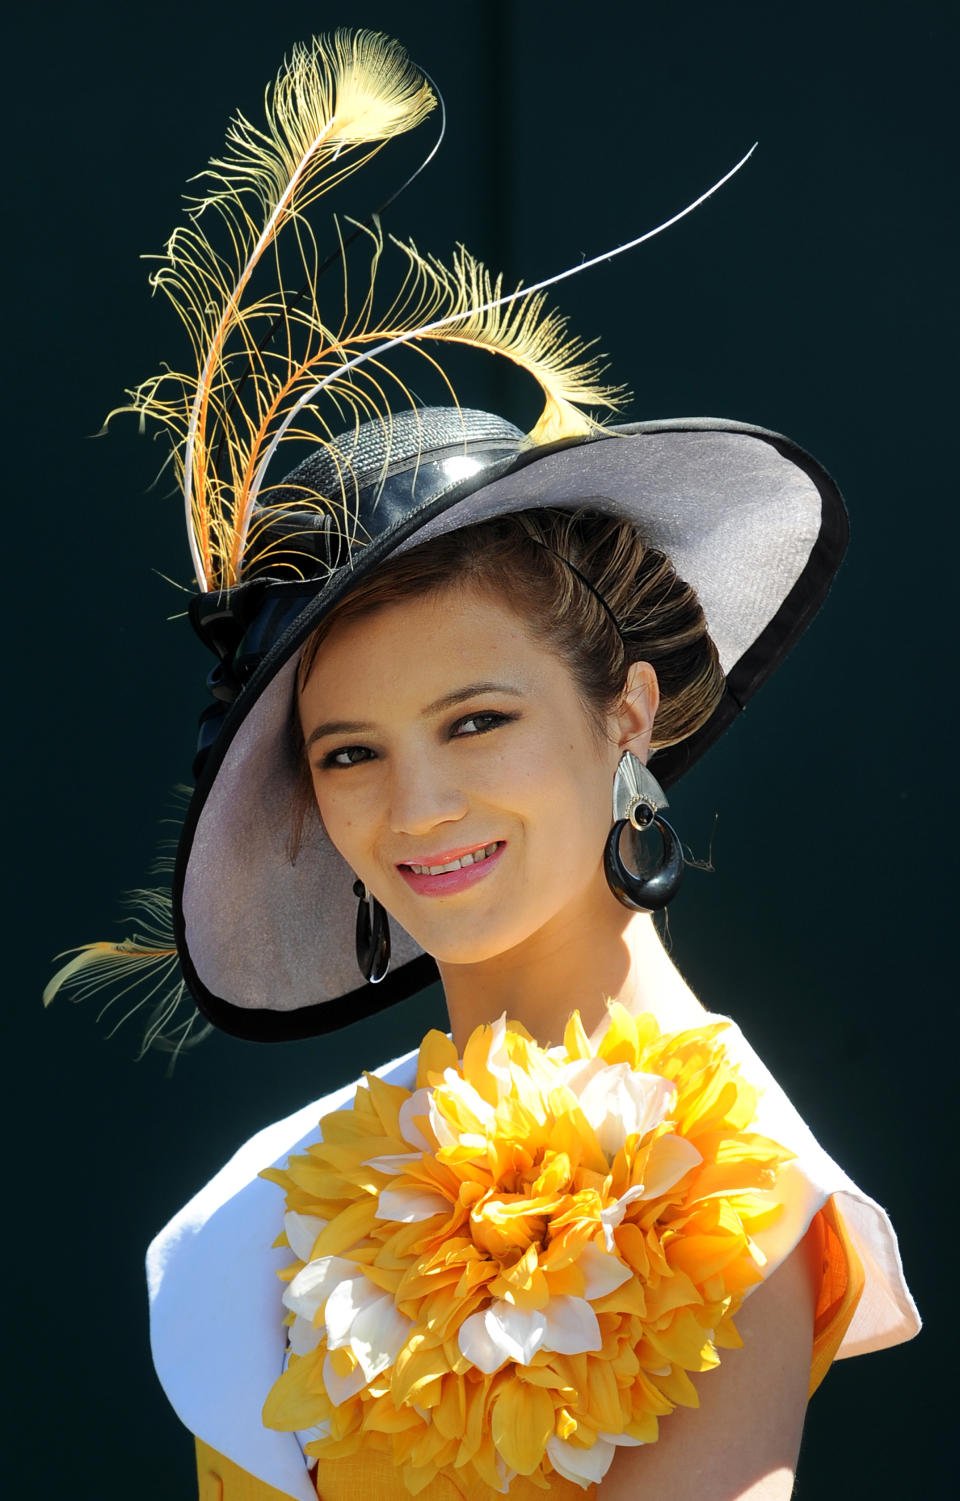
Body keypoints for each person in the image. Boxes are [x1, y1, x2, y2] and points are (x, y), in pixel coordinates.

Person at [47, 27, 918, 1501]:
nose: (419, 803)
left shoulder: (737, 1192)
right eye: (350, 750)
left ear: (627, 714)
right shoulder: (261, 1215)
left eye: (476, 719)